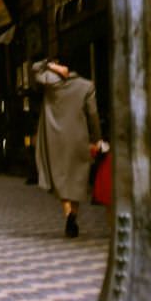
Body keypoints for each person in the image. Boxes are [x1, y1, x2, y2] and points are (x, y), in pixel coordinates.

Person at [32, 57, 102, 238]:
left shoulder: (50, 81)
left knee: (61, 179)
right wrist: (97, 138)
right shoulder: (87, 86)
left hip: (55, 139)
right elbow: (93, 114)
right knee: (77, 179)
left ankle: (69, 213)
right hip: (80, 137)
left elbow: (35, 68)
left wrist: (50, 64)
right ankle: (74, 215)